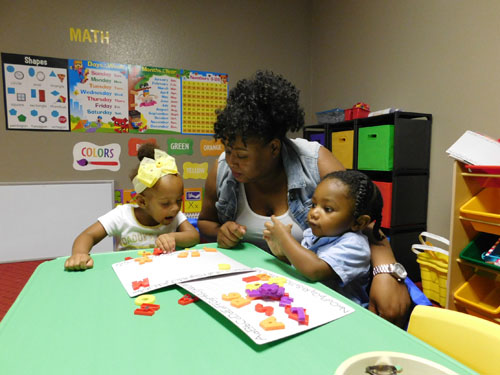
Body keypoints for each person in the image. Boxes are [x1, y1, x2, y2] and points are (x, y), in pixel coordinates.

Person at [197, 70, 411, 326]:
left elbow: (365, 217)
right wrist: (222, 230)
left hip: (314, 293)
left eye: (242, 155)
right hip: (254, 291)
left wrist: (386, 272)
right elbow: (205, 223)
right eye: (228, 150)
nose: (232, 161)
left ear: (274, 148)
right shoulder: (222, 169)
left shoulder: (315, 162)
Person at [65, 143, 199, 270]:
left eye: (178, 200)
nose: (175, 208)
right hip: (128, 276)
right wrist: (79, 254)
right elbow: (88, 235)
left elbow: (194, 236)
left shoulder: (174, 215)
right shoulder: (122, 215)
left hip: (163, 273)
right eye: (165, 203)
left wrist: (173, 237)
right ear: (142, 202)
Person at [263, 170, 383, 307]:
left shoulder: (355, 246)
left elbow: (315, 270)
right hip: (310, 303)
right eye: (314, 205)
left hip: (342, 313)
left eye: (328, 209)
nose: (314, 213)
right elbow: (303, 268)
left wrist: (285, 239)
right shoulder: (314, 234)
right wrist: (282, 254)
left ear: (358, 223)